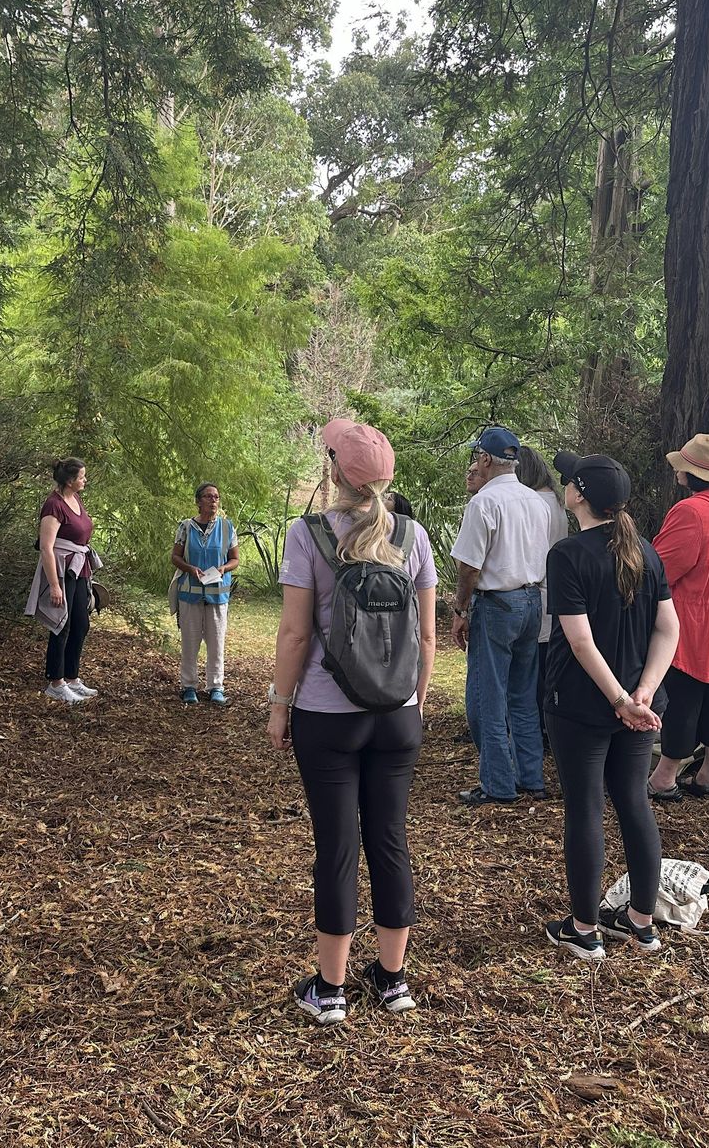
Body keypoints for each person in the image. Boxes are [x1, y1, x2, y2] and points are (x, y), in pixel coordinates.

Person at [269, 420, 437, 1023]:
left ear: (335, 472)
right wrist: (410, 703)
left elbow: (293, 633)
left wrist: (279, 704)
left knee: (337, 846)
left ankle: (331, 990)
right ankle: (393, 982)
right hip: (398, 717)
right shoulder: (413, 535)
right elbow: (426, 636)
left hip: (326, 713)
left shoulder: (307, 534)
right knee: (390, 840)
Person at [543, 452, 679, 960]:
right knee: (633, 802)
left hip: (581, 705)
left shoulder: (567, 555)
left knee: (585, 808)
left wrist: (624, 699)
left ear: (578, 493)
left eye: (568, 481)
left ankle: (585, 930)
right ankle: (641, 923)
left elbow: (579, 642)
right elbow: (669, 629)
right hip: (640, 707)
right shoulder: (646, 551)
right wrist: (643, 693)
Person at [450, 426, 555, 805]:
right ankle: (531, 777)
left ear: (485, 459)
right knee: (524, 695)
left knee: (487, 695)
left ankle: (498, 783)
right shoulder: (536, 501)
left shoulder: (483, 503)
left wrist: (460, 608)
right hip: (532, 601)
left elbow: (469, 567)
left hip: (498, 603)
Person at [647, 434, 709, 803]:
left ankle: (664, 779)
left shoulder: (692, 511)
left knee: (683, 697)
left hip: (694, 619)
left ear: (691, 472)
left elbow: (660, 568)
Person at [516, 444, 571, 734]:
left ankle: (539, 727)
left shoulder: (536, 503)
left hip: (540, 590)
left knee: (536, 668)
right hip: (553, 591)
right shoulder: (555, 501)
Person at [171, 482, 239, 705]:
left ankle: (216, 686)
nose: (213, 501)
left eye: (216, 497)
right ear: (198, 501)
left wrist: (223, 568)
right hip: (190, 594)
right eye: (208, 497)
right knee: (190, 642)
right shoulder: (186, 527)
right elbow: (176, 557)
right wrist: (190, 569)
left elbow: (235, 559)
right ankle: (189, 685)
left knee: (216, 642)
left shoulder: (228, 527)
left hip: (218, 594)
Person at [39, 458, 99, 704]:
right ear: (69, 480)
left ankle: (72, 677)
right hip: (62, 570)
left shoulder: (76, 500)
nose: (85, 480)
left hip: (80, 568)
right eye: (81, 476)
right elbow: (46, 547)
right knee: (61, 624)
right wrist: (54, 584)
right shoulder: (54, 505)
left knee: (80, 623)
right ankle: (56, 681)